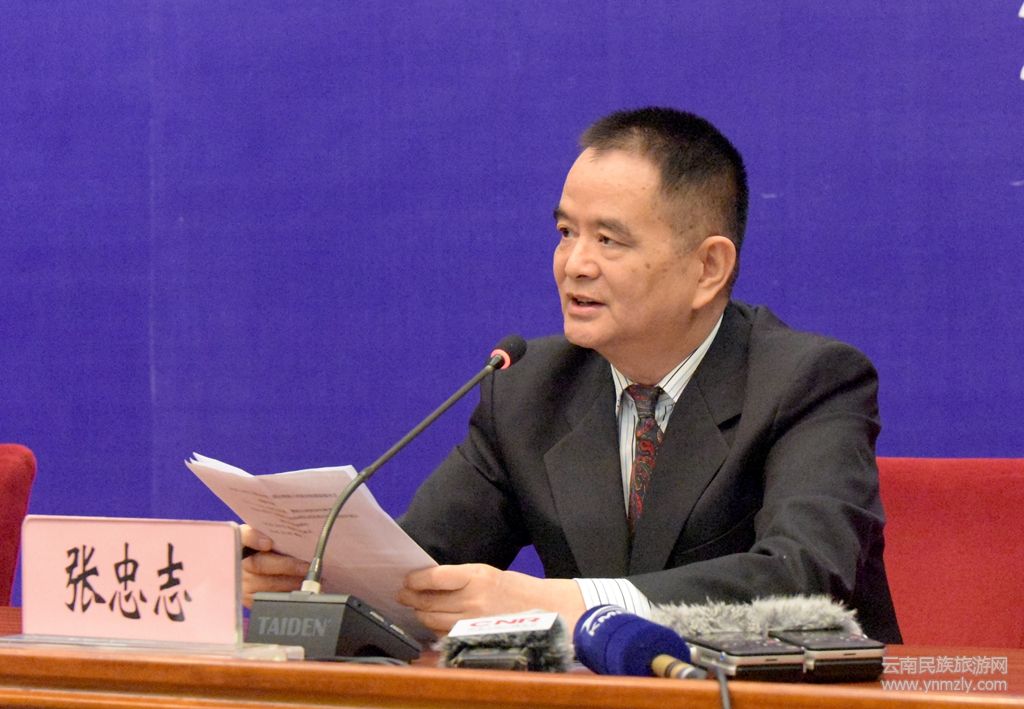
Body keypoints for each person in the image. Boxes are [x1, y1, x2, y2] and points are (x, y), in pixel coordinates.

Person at [242, 107, 901, 644]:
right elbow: (423, 568)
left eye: (608, 240)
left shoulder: (809, 382)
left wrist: (564, 603)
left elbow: (804, 580)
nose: (574, 264)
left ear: (708, 268)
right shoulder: (527, 388)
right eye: (565, 232)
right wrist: (321, 576)